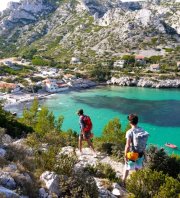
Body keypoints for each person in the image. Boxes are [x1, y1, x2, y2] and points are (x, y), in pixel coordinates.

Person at [122, 114, 149, 185]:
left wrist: (125, 156)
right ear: (137, 122)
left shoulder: (129, 132)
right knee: (138, 168)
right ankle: (139, 183)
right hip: (140, 153)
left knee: (127, 167)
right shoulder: (142, 129)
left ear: (130, 122)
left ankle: (123, 182)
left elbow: (127, 146)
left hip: (132, 154)